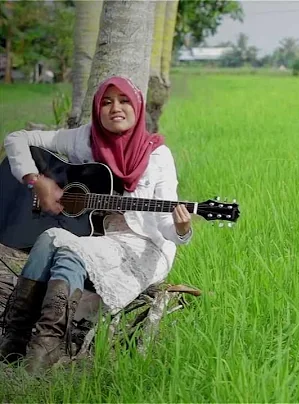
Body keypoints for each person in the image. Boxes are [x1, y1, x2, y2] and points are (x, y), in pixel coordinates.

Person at [0, 75, 193, 373]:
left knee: (68, 249)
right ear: (97, 107)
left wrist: (181, 229)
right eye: (106, 101)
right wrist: (36, 181)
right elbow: (16, 138)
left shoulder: (157, 156)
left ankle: (46, 347)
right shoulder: (83, 139)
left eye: (124, 100)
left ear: (138, 107)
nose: (115, 107)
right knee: (51, 236)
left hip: (143, 247)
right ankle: (15, 337)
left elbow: (166, 223)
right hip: (96, 235)